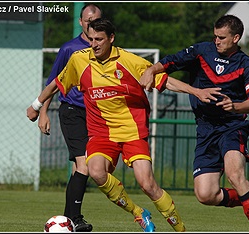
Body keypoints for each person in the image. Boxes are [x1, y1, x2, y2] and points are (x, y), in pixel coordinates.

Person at [27, 18, 221, 232]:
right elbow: (57, 83)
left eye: (99, 39)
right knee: (96, 171)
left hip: (133, 131)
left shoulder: (129, 61)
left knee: (147, 184)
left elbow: (166, 81)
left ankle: (181, 229)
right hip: (102, 132)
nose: (94, 44)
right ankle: (138, 213)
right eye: (91, 39)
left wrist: (196, 91)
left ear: (111, 38)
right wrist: (36, 105)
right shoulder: (78, 60)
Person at [140, 14, 249, 231]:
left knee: (235, 174)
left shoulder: (246, 65)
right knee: (206, 194)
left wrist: (234, 106)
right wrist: (151, 70)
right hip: (205, 127)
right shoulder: (201, 51)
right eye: (215, 36)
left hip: (232, 126)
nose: (217, 41)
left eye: (222, 38)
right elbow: (169, 62)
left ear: (236, 38)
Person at [38, 3, 102, 232]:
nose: (92, 24)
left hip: (96, 114)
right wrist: (43, 111)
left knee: (82, 168)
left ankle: (69, 218)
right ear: (80, 21)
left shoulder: (103, 48)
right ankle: (75, 219)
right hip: (73, 111)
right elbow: (53, 83)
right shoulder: (70, 49)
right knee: (85, 163)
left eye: (96, 21)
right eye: (88, 20)